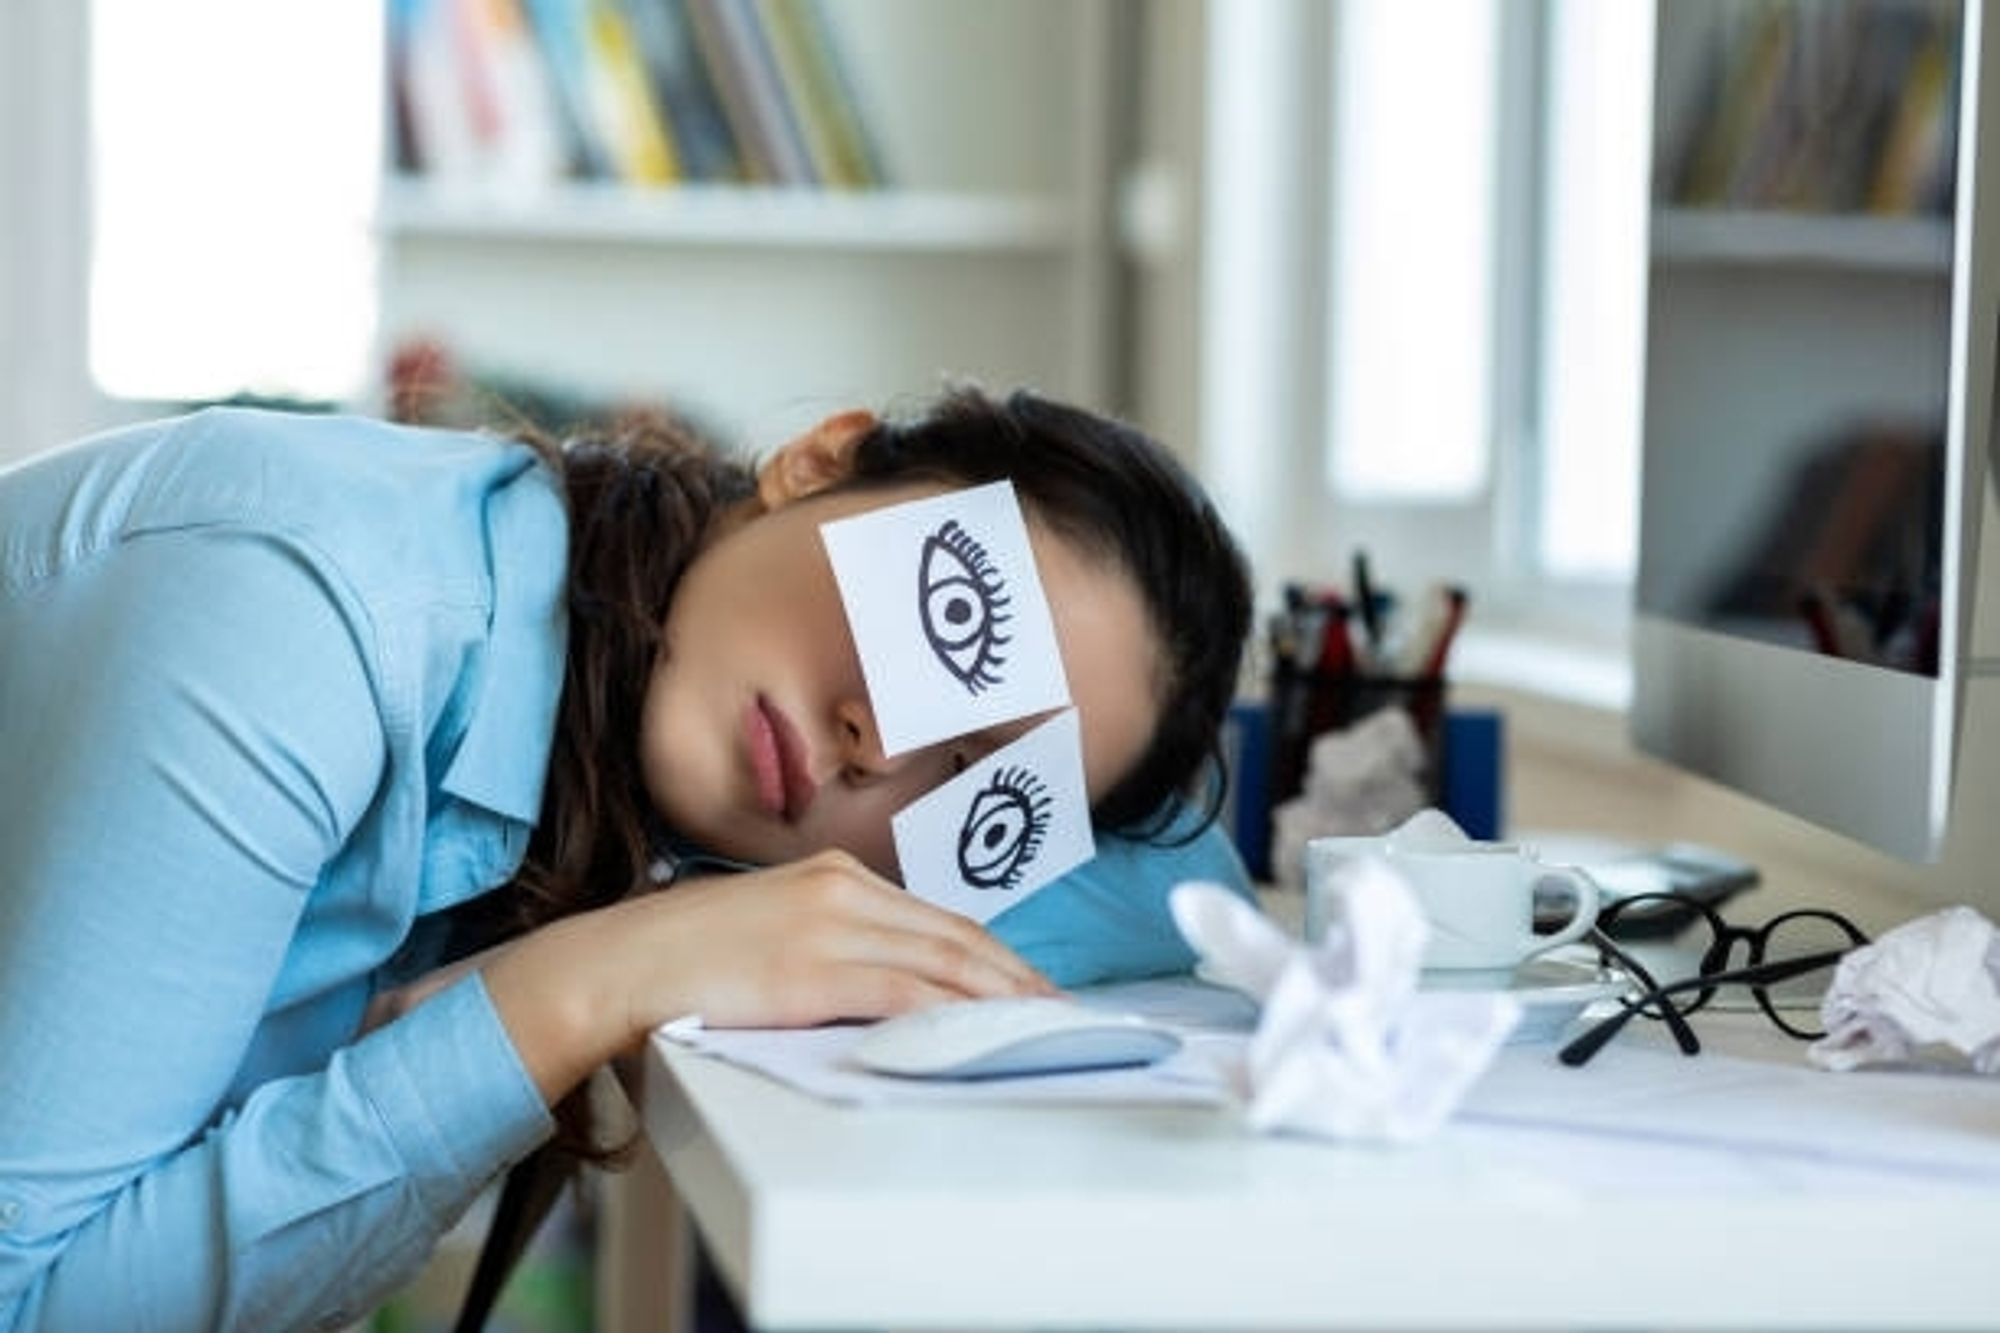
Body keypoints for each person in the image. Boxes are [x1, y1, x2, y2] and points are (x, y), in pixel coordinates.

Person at [0, 385, 1254, 1331]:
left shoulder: (607, 724)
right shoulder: (309, 622)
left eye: (983, 790)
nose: (883, 745)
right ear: (817, 460)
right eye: (950, 620)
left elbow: (1184, 899)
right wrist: (584, 986)